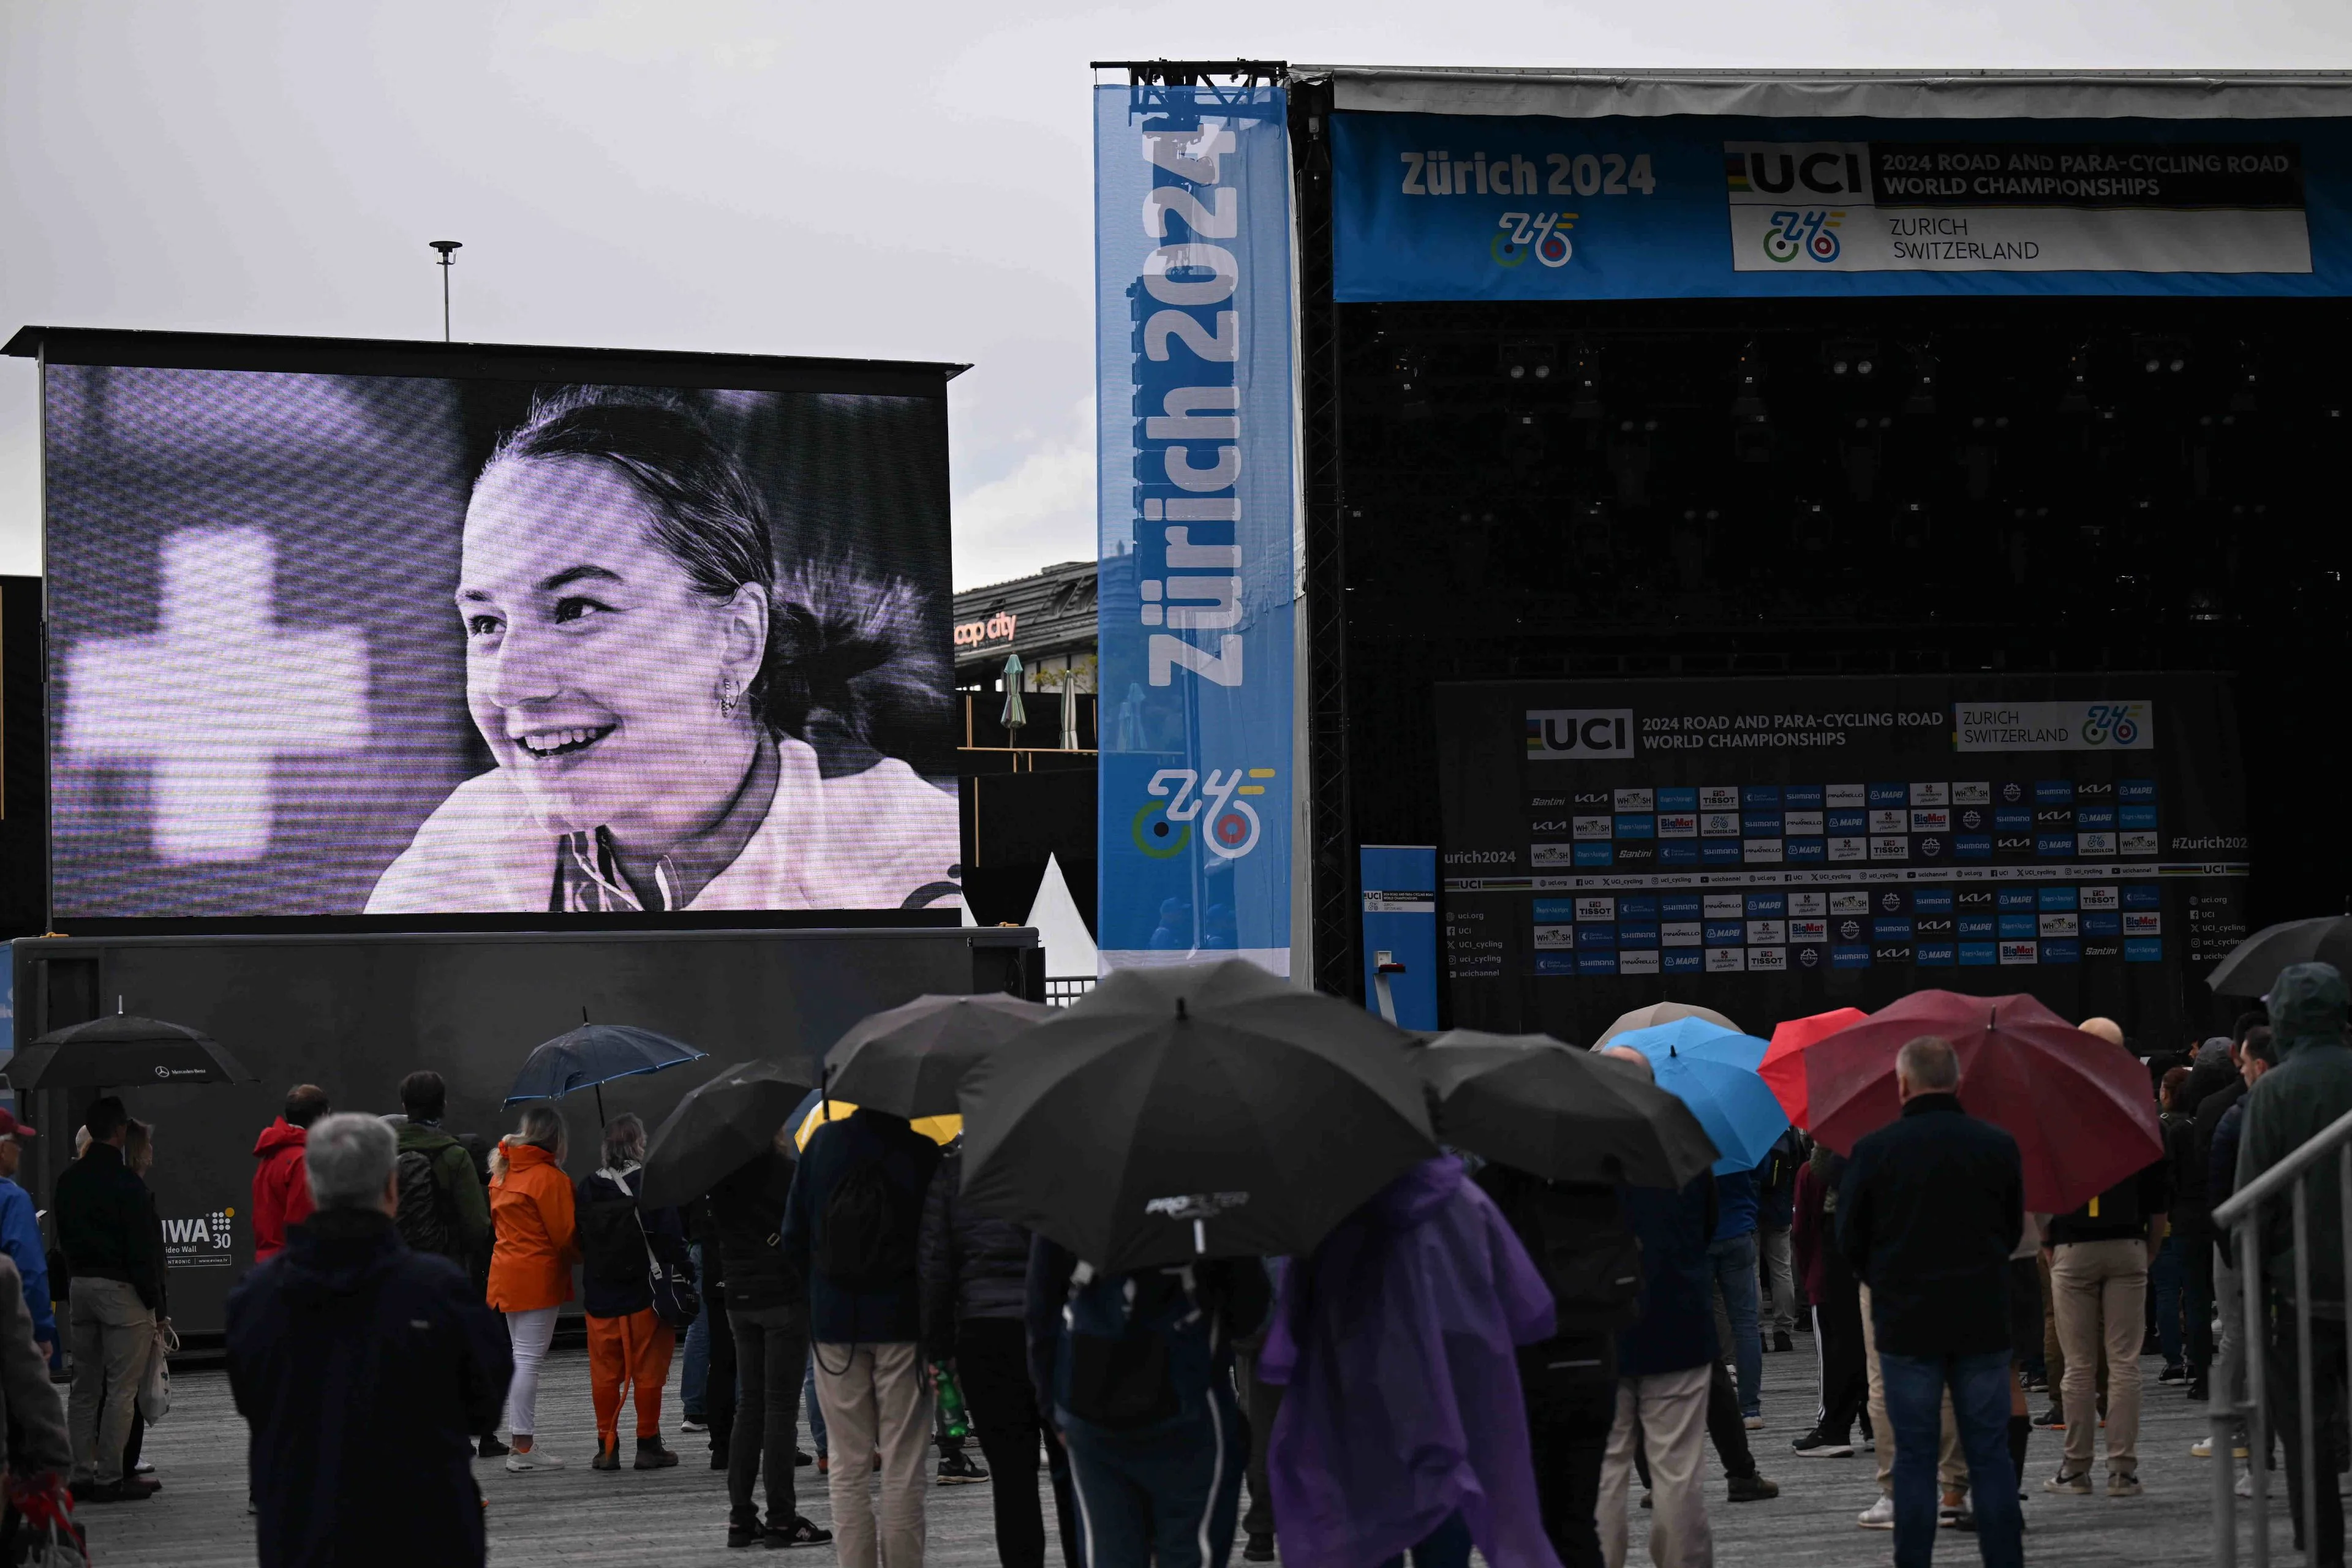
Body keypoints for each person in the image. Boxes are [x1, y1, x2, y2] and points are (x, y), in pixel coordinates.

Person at [366, 388, 959, 916]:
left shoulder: (912, 870)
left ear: (738, 639)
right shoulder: (459, 857)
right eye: (487, 622)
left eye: (576, 609)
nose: (513, 683)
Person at [227, 1112, 513, 1568]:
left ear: (314, 1188)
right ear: (391, 1188)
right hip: (428, 1532)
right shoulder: (440, 1292)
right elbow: (484, 1406)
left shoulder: (256, 1298)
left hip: (302, 1534)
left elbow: (253, 1402)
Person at [1260, 1156, 1556, 1568]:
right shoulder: (1465, 1202)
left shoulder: (1327, 1211)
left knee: (1372, 1531)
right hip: (1449, 1389)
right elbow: (1528, 1305)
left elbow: (1292, 1316)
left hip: (1356, 1400)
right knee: (1446, 1506)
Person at [1838, 1035, 2025, 1568]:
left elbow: (1852, 1239)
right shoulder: (1997, 1145)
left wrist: (1889, 1279)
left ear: (1901, 1084)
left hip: (1906, 1323)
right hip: (1981, 1318)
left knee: (1914, 1459)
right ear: (1958, 1081)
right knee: (1989, 1456)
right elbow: (2011, 1230)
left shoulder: (1874, 1150)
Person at [1027, 1234, 1270, 1568]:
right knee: (1190, 1552)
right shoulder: (1210, 1197)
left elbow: (1041, 1309)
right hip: (1191, 1406)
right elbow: (1248, 1311)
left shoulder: (1067, 1193)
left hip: (1090, 1407)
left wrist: (1052, 1412)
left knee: (1109, 1553)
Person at [782, 1105, 942, 1568]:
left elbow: (794, 1236)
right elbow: (940, 1245)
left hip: (836, 1327)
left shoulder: (822, 1145)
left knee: (848, 1465)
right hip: (904, 1326)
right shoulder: (921, 1151)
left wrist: (820, 1296)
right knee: (903, 1465)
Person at [2237, 962, 2352, 1565]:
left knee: (2307, 1441)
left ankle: (2322, 1550)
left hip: (2299, 1293)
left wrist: (2254, 1295)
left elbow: (2250, 1202)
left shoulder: (2274, 1091)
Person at [919, 1137, 1077, 1568]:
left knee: (1011, 1478)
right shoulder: (1064, 1159)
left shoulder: (955, 1169)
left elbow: (936, 1267)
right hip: (1058, 1332)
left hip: (984, 1335)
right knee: (1073, 1473)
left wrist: (938, 1348)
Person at [1472, 1158, 1633, 1568]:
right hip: (1594, 1362)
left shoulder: (1490, 1188)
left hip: (1526, 1372)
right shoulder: (1597, 1181)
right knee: (1577, 1523)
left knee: (1529, 1525)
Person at [2043, 1025, 2170, 1500]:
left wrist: (2048, 1242)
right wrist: (2150, 1246)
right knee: (2125, 1364)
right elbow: (2159, 1197)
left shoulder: (2056, 1111)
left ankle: (2075, 1471)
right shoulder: (2140, 1110)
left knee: (2078, 1365)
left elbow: (2042, 1186)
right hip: (2127, 1243)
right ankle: (2123, 1471)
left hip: (2073, 1245)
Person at [712, 1126, 829, 1548]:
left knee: (751, 1405)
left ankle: (741, 1518)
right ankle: (782, 1518)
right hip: (782, 1298)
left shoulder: (718, 1177)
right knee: (781, 1408)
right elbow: (808, 1227)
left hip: (738, 1300)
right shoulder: (786, 1171)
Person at [55, 1096, 159, 1502]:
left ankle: (80, 1473)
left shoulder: (69, 1179)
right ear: (119, 1131)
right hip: (121, 1293)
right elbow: (141, 1251)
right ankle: (111, 1476)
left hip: (80, 1288)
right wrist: (152, 1301)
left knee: (84, 1388)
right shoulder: (127, 1184)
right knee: (121, 1389)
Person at [573, 1114, 686, 1474]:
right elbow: (670, 1238)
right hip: (645, 1296)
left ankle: (606, 1447)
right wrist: (688, 1273)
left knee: (605, 1375)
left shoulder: (587, 1186)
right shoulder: (652, 1183)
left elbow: (579, 1239)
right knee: (649, 1374)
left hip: (600, 1298)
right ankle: (648, 1444)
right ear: (639, 1143)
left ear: (606, 1147)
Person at [487, 1104, 578, 1471]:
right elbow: (565, 1237)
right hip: (538, 1275)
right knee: (527, 1360)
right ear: (555, 1136)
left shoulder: (502, 1173)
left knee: (519, 1357)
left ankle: (519, 1443)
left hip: (506, 1272)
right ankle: (522, 1447)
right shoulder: (550, 1179)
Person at [2199, 1026, 2270, 1477]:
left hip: (2245, 1243)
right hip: (2286, 1245)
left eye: (2244, 1065)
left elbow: (2218, 1190)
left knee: (2236, 1333)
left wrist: (2227, 1246)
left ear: (2257, 1066)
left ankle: (2240, 1434)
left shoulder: (2234, 1114)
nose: (2241, 1072)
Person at [1788, 1142, 1864, 1460]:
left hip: (1827, 1270)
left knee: (1832, 1356)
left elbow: (1802, 1232)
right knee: (1865, 1350)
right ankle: (1873, 1425)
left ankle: (1831, 1428)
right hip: (1867, 1273)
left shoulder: (1812, 1172)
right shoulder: (1871, 1164)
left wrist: (1808, 1278)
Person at [118, 1120, 167, 1488]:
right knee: (128, 1386)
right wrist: (158, 1308)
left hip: (95, 1293)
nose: (152, 1152)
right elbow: (147, 1256)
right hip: (132, 1300)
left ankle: (104, 1461)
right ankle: (125, 1463)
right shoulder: (135, 1192)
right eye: (148, 1145)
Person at [1706, 1156, 1765, 1428]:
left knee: (1700, 1324)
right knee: (1746, 1324)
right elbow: (1762, 1170)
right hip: (1739, 1229)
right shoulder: (1738, 1137)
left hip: (1700, 1235)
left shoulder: (1685, 1131)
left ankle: (1708, 1405)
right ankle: (1750, 1408)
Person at [251, 1084, 331, 1263]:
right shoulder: (302, 1161)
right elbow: (303, 1226)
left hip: (271, 1266)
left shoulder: (271, 1156)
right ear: (322, 1116)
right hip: (293, 1270)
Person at [0, 1112, 56, 1362]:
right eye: (17, 1143)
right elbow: (30, 1271)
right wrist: (42, 1331)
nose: (20, 1151)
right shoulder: (13, 1199)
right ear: (2, 1148)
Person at [2153, 1068, 2197, 1382]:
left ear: (2166, 1093)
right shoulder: (2197, 1123)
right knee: (2194, 1291)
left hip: (2165, 1220)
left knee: (2166, 1291)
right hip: (2192, 1217)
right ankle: (2196, 1355)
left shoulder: (2160, 1126)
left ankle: (2173, 1360)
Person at [1755, 1132, 1800, 1354]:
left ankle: (1758, 1333)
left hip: (1752, 1212)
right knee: (1782, 1271)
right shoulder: (1785, 1134)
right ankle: (1783, 1332)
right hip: (1780, 1211)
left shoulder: (1747, 1132)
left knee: (1751, 1273)